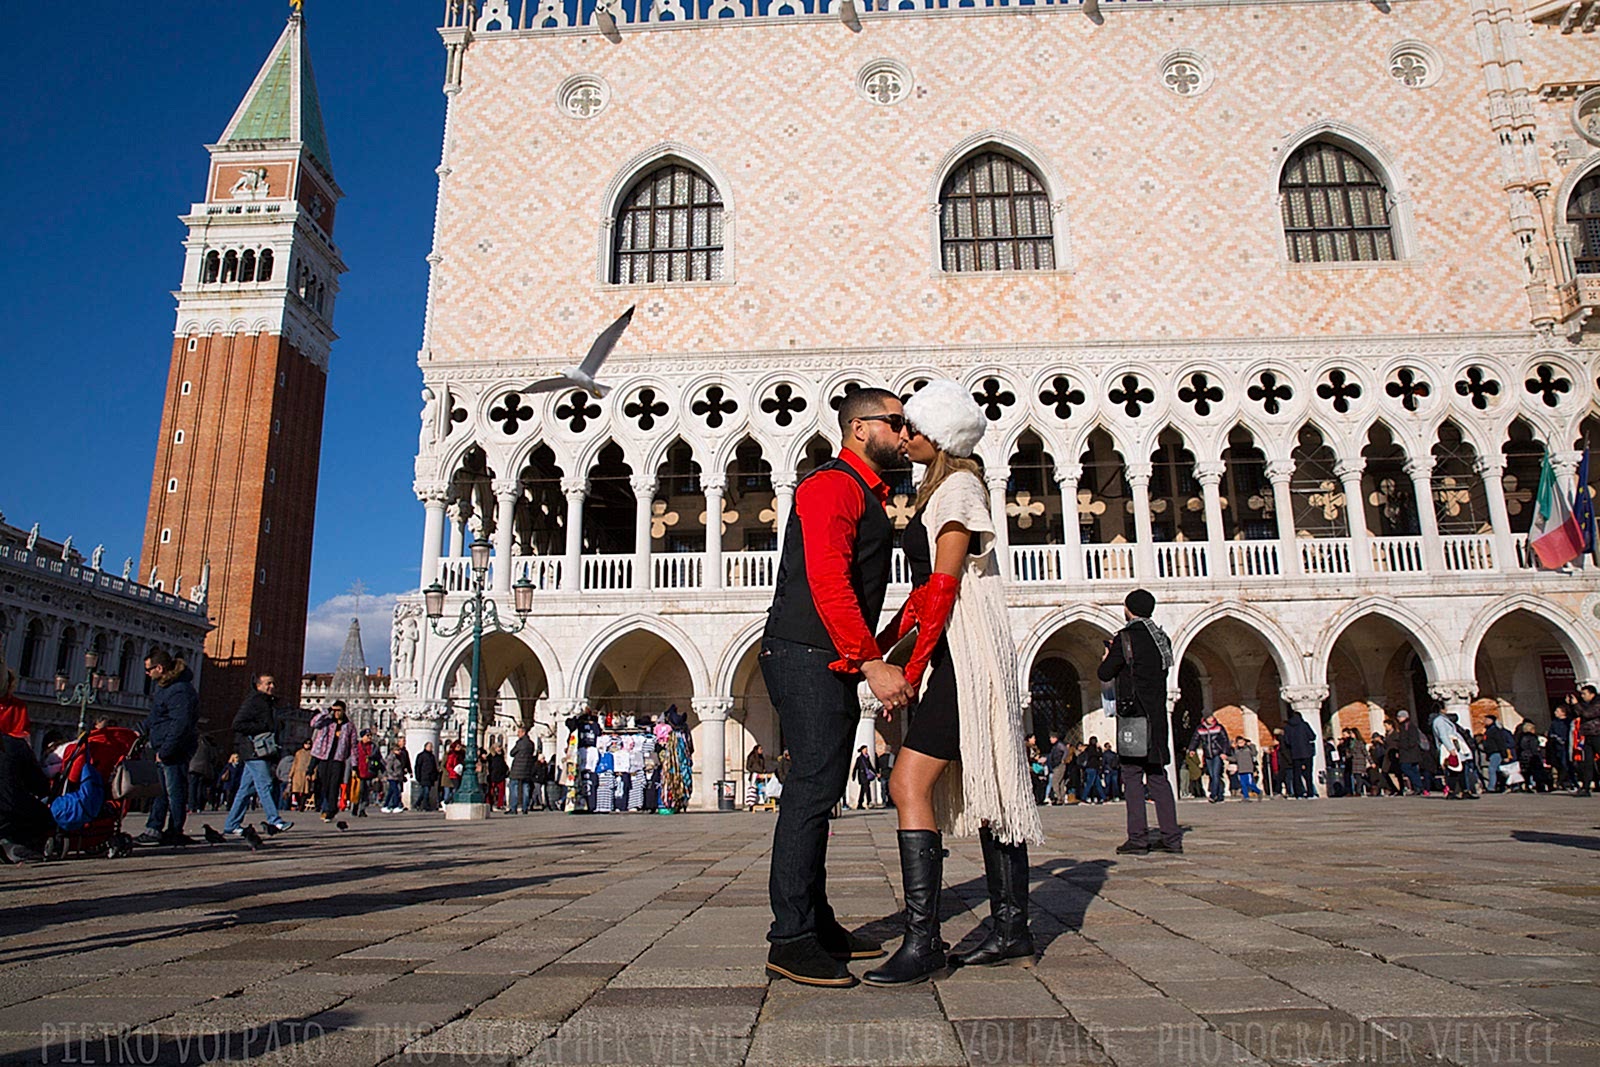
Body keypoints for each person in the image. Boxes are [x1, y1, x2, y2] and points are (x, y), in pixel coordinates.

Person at [858, 381, 1042, 986]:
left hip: (966, 656)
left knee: (908, 780)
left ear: (935, 436)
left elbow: (943, 587)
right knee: (983, 780)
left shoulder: (959, 488)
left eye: (910, 427)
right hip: (951, 652)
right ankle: (1013, 929)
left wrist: (906, 671)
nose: (901, 435)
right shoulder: (937, 489)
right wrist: (879, 647)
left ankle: (923, 941)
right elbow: (923, 595)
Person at [760, 386, 911, 988]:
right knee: (809, 792)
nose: (904, 435)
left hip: (826, 656)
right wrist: (871, 661)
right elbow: (827, 580)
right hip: (807, 653)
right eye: (895, 424)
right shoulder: (830, 485)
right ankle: (790, 938)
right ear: (859, 430)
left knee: (821, 792)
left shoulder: (864, 492)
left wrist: (899, 628)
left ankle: (816, 923)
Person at [1101, 589, 1181, 856]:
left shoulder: (1125, 639)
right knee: (1158, 776)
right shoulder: (1162, 639)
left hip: (1133, 716)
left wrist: (1108, 656)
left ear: (1129, 609)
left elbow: (1104, 672)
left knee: (1133, 776)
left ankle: (1138, 839)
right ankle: (1172, 838)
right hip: (1157, 717)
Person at [138, 648, 200, 846]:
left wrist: (165, 751)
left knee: (174, 792)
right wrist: (139, 731)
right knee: (163, 791)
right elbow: (156, 717)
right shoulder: (166, 687)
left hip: (174, 750)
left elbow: (180, 724)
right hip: (165, 746)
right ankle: (155, 828)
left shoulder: (179, 690)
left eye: (149, 669)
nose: (147, 673)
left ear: (159, 668)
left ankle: (173, 830)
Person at [222, 673, 293, 837]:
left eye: (273, 683)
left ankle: (231, 824)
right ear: (258, 686)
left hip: (261, 751)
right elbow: (237, 724)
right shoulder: (254, 701)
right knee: (265, 784)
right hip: (254, 750)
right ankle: (274, 819)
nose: (272, 686)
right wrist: (262, 728)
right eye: (268, 683)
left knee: (245, 789)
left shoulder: (268, 703)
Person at [0, 681, 52, 864]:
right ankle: (13, 846)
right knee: (43, 815)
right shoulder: (15, 745)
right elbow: (40, 787)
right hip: (8, 813)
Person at [308, 701, 355, 822]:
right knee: (323, 784)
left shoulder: (349, 726)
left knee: (334, 785)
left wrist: (354, 765)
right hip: (324, 756)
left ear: (344, 711)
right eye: (334, 710)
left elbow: (353, 746)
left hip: (338, 759)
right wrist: (326, 711)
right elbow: (313, 723)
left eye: (339, 710)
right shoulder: (327, 723)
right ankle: (325, 806)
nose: (336, 713)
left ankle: (330, 809)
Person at [1431, 710, 1476, 799]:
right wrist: (1451, 749)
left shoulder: (1444, 720)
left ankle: (1464, 790)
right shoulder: (1439, 721)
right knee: (1453, 769)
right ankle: (1451, 791)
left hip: (1456, 746)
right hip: (1451, 747)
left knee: (1460, 769)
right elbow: (1443, 735)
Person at [1189, 715, 1233, 803]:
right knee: (1212, 775)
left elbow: (1225, 740)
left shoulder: (1218, 727)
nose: (1211, 719)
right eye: (1209, 718)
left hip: (1217, 753)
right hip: (1208, 754)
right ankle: (1220, 795)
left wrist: (1224, 752)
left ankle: (1213, 795)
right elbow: (1195, 739)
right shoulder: (1200, 729)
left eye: (1212, 718)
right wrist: (1192, 749)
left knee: (1216, 774)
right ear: (1205, 719)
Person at [1283, 709, 1317, 799]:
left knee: (1296, 774)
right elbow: (1312, 736)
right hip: (1307, 752)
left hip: (1295, 753)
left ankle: (1299, 794)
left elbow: (1287, 741)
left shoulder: (1287, 728)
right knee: (1308, 774)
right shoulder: (1304, 725)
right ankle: (1310, 793)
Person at [1573, 685, 1600, 796]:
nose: (1582, 696)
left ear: (1592, 693)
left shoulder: (1598, 703)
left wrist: (1576, 704)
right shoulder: (1585, 705)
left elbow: (1588, 714)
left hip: (1597, 734)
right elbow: (1579, 713)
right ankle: (1586, 787)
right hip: (1588, 735)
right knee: (1587, 762)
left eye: (1584, 694)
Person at [1391, 711, 1427, 795]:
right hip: (1409, 752)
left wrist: (1404, 746)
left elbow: (1412, 739)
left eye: (1400, 717)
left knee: (1405, 768)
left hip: (1409, 752)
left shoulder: (1408, 726)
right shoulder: (1404, 726)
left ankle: (1418, 785)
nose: (1398, 718)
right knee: (1414, 770)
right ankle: (1418, 787)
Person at [509, 726, 538, 814]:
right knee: (526, 788)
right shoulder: (531, 744)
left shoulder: (520, 743)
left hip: (517, 769)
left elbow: (512, 753)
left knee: (514, 787)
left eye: (519, 732)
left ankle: (513, 808)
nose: (518, 734)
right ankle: (525, 808)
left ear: (523, 733)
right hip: (527, 769)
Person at [350, 729, 379, 817]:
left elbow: (378, 759)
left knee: (366, 792)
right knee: (359, 791)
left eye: (370, 735)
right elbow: (353, 758)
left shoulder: (373, 747)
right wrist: (353, 769)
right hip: (359, 772)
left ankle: (362, 809)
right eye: (367, 735)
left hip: (370, 772)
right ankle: (355, 806)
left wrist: (379, 769)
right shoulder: (357, 746)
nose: (369, 737)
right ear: (362, 737)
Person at [1482, 714, 1514, 793]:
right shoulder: (1488, 730)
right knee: (1497, 770)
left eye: (1487, 719)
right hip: (1491, 752)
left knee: (1492, 769)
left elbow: (1500, 743)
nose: (1484, 721)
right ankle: (1503, 785)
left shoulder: (1495, 731)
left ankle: (1491, 787)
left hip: (1496, 752)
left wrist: (1504, 755)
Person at [188, 733, 216, 814]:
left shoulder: (191, 742)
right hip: (204, 769)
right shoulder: (207, 745)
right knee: (200, 788)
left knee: (192, 788)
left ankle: (191, 806)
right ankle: (199, 806)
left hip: (192, 767)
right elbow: (212, 757)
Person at [1233, 736, 1263, 800]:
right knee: (1243, 784)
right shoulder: (1236, 750)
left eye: (1242, 742)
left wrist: (1251, 745)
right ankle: (1246, 797)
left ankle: (1258, 791)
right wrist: (1226, 758)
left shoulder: (1248, 748)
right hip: (1241, 769)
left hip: (1248, 769)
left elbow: (1254, 753)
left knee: (1249, 783)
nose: (1240, 744)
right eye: (1239, 743)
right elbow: (1235, 758)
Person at [414, 741, 440, 811]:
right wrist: (418, 776)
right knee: (426, 792)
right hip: (424, 776)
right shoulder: (421, 756)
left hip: (430, 777)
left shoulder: (432, 757)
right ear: (425, 747)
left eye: (431, 747)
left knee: (424, 792)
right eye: (429, 746)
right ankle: (425, 806)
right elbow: (418, 766)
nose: (431, 748)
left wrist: (435, 775)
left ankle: (417, 804)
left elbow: (434, 767)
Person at [290, 739, 315, 810]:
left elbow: (314, 766)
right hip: (297, 773)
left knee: (305, 791)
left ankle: (302, 804)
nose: (307, 746)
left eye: (309, 744)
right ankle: (298, 802)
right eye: (306, 744)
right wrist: (291, 774)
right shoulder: (299, 753)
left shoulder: (312, 754)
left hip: (306, 773)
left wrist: (313, 775)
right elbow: (295, 763)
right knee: (295, 790)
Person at [851, 746, 877, 810]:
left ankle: (860, 803)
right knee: (867, 788)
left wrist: (876, 773)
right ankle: (869, 802)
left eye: (866, 749)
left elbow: (870, 766)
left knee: (863, 790)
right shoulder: (859, 759)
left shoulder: (867, 757)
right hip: (862, 776)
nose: (866, 750)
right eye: (865, 749)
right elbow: (855, 767)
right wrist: (853, 776)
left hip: (866, 776)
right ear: (862, 750)